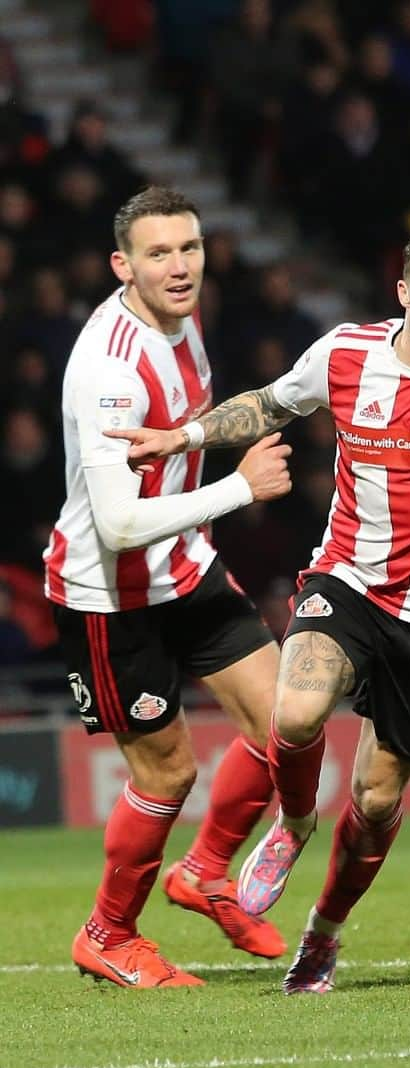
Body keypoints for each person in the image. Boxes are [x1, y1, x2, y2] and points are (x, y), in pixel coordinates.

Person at [108, 221, 410, 995]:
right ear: (403, 294)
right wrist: (182, 437)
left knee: (374, 801)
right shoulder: (344, 353)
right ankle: (293, 824)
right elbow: (269, 405)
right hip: (347, 581)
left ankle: (324, 934)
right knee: (296, 714)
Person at [44, 186, 293, 988]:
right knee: (167, 774)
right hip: (109, 594)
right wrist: (239, 489)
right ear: (123, 265)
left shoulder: (183, 321)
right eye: (159, 253)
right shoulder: (109, 365)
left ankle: (206, 874)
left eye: (189, 248)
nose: (180, 266)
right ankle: (108, 934)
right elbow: (116, 525)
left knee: (288, 719)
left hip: (184, 567)